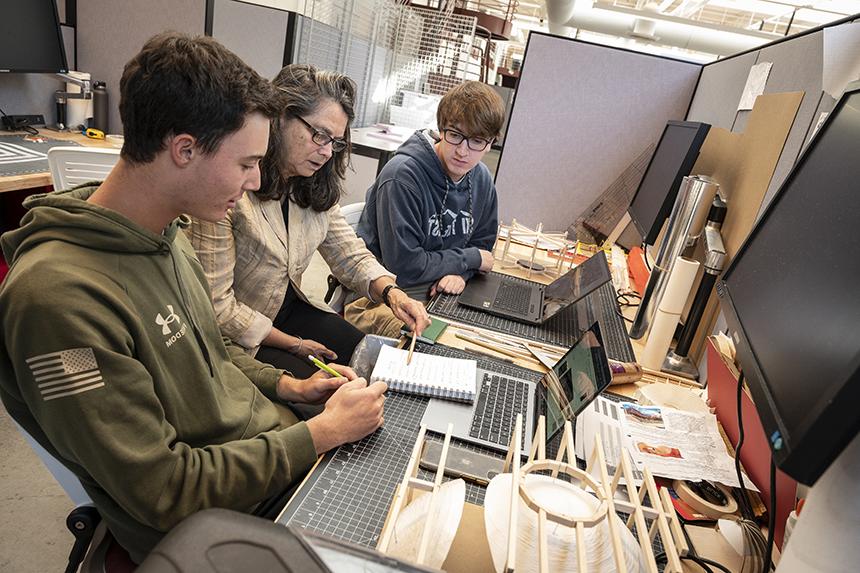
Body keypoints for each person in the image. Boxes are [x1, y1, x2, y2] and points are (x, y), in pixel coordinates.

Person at [0, 33, 387, 563]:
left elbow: (210, 351)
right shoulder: (57, 302)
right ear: (184, 149)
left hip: (265, 454)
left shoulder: (166, 234)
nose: (255, 181)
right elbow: (164, 489)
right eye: (246, 162)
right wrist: (318, 437)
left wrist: (291, 387)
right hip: (220, 519)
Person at [187, 64, 429, 378]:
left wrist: (392, 295)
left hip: (288, 312)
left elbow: (349, 254)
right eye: (319, 135)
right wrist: (294, 345)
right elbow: (217, 308)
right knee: (334, 389)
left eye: (335, 142)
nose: (327, 151)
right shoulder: (232, 192)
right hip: (240, 336)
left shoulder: (309, 185)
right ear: (281, 117)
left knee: (372, 363)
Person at [348, 81, 505, 337]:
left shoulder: (482, 178)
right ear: (441, 129)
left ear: (490, 143)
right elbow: (406, 266)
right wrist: (469, 259)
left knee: (491, 334)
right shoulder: (402, 177)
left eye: (477, 141)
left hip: (439, 290)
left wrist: (461, 274)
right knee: (436, 349)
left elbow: (483, 243)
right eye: (455, 135)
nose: (463, 151)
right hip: (383, 296)